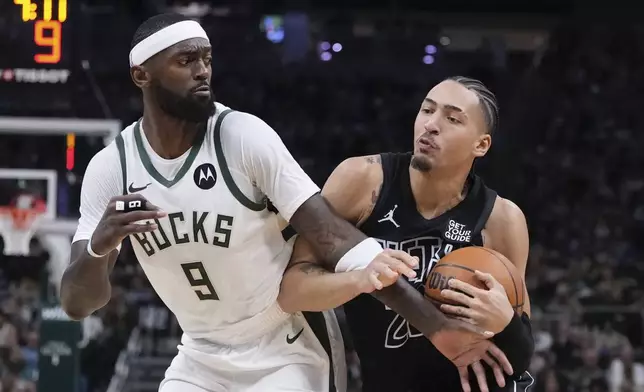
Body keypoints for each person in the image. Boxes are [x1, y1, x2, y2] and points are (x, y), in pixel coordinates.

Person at [58, 14, 500, 392]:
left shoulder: (242, 136)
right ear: (142, 74)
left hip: (284, 346)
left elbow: (329, 234)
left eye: (207, 59)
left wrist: (437, 326)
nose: (202, 71)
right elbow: (77, 303)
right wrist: (98, 248)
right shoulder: (110, 168)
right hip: (199, 353)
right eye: (185, 60)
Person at [278, 76, 535, 392]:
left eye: (452, 118)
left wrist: (505, 323)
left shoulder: (501, 219)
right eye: (427, 111)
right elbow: (291, 292)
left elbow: (519, 358)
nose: (431, 125)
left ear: (480, 145)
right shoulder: (362, 181)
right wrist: (360, 278)